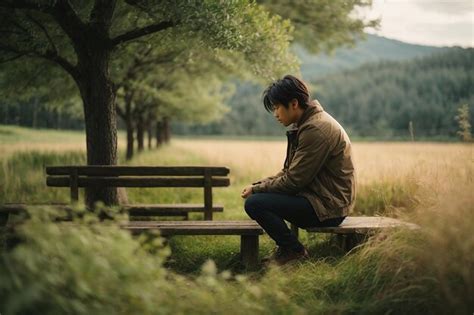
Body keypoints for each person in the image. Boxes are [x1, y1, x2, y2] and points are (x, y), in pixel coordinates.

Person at [241, 74, 356, 266]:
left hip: (328, 208)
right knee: (258, 198)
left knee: (255, 203)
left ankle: (293, 251)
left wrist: (257, 190)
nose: (276, 114)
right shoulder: (308, 125)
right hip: (322, 200)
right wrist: (258, 185)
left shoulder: (316, 130)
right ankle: (290, 249)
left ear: (294, 103)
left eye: (277, 107)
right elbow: (289, 172)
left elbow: (293, 181)